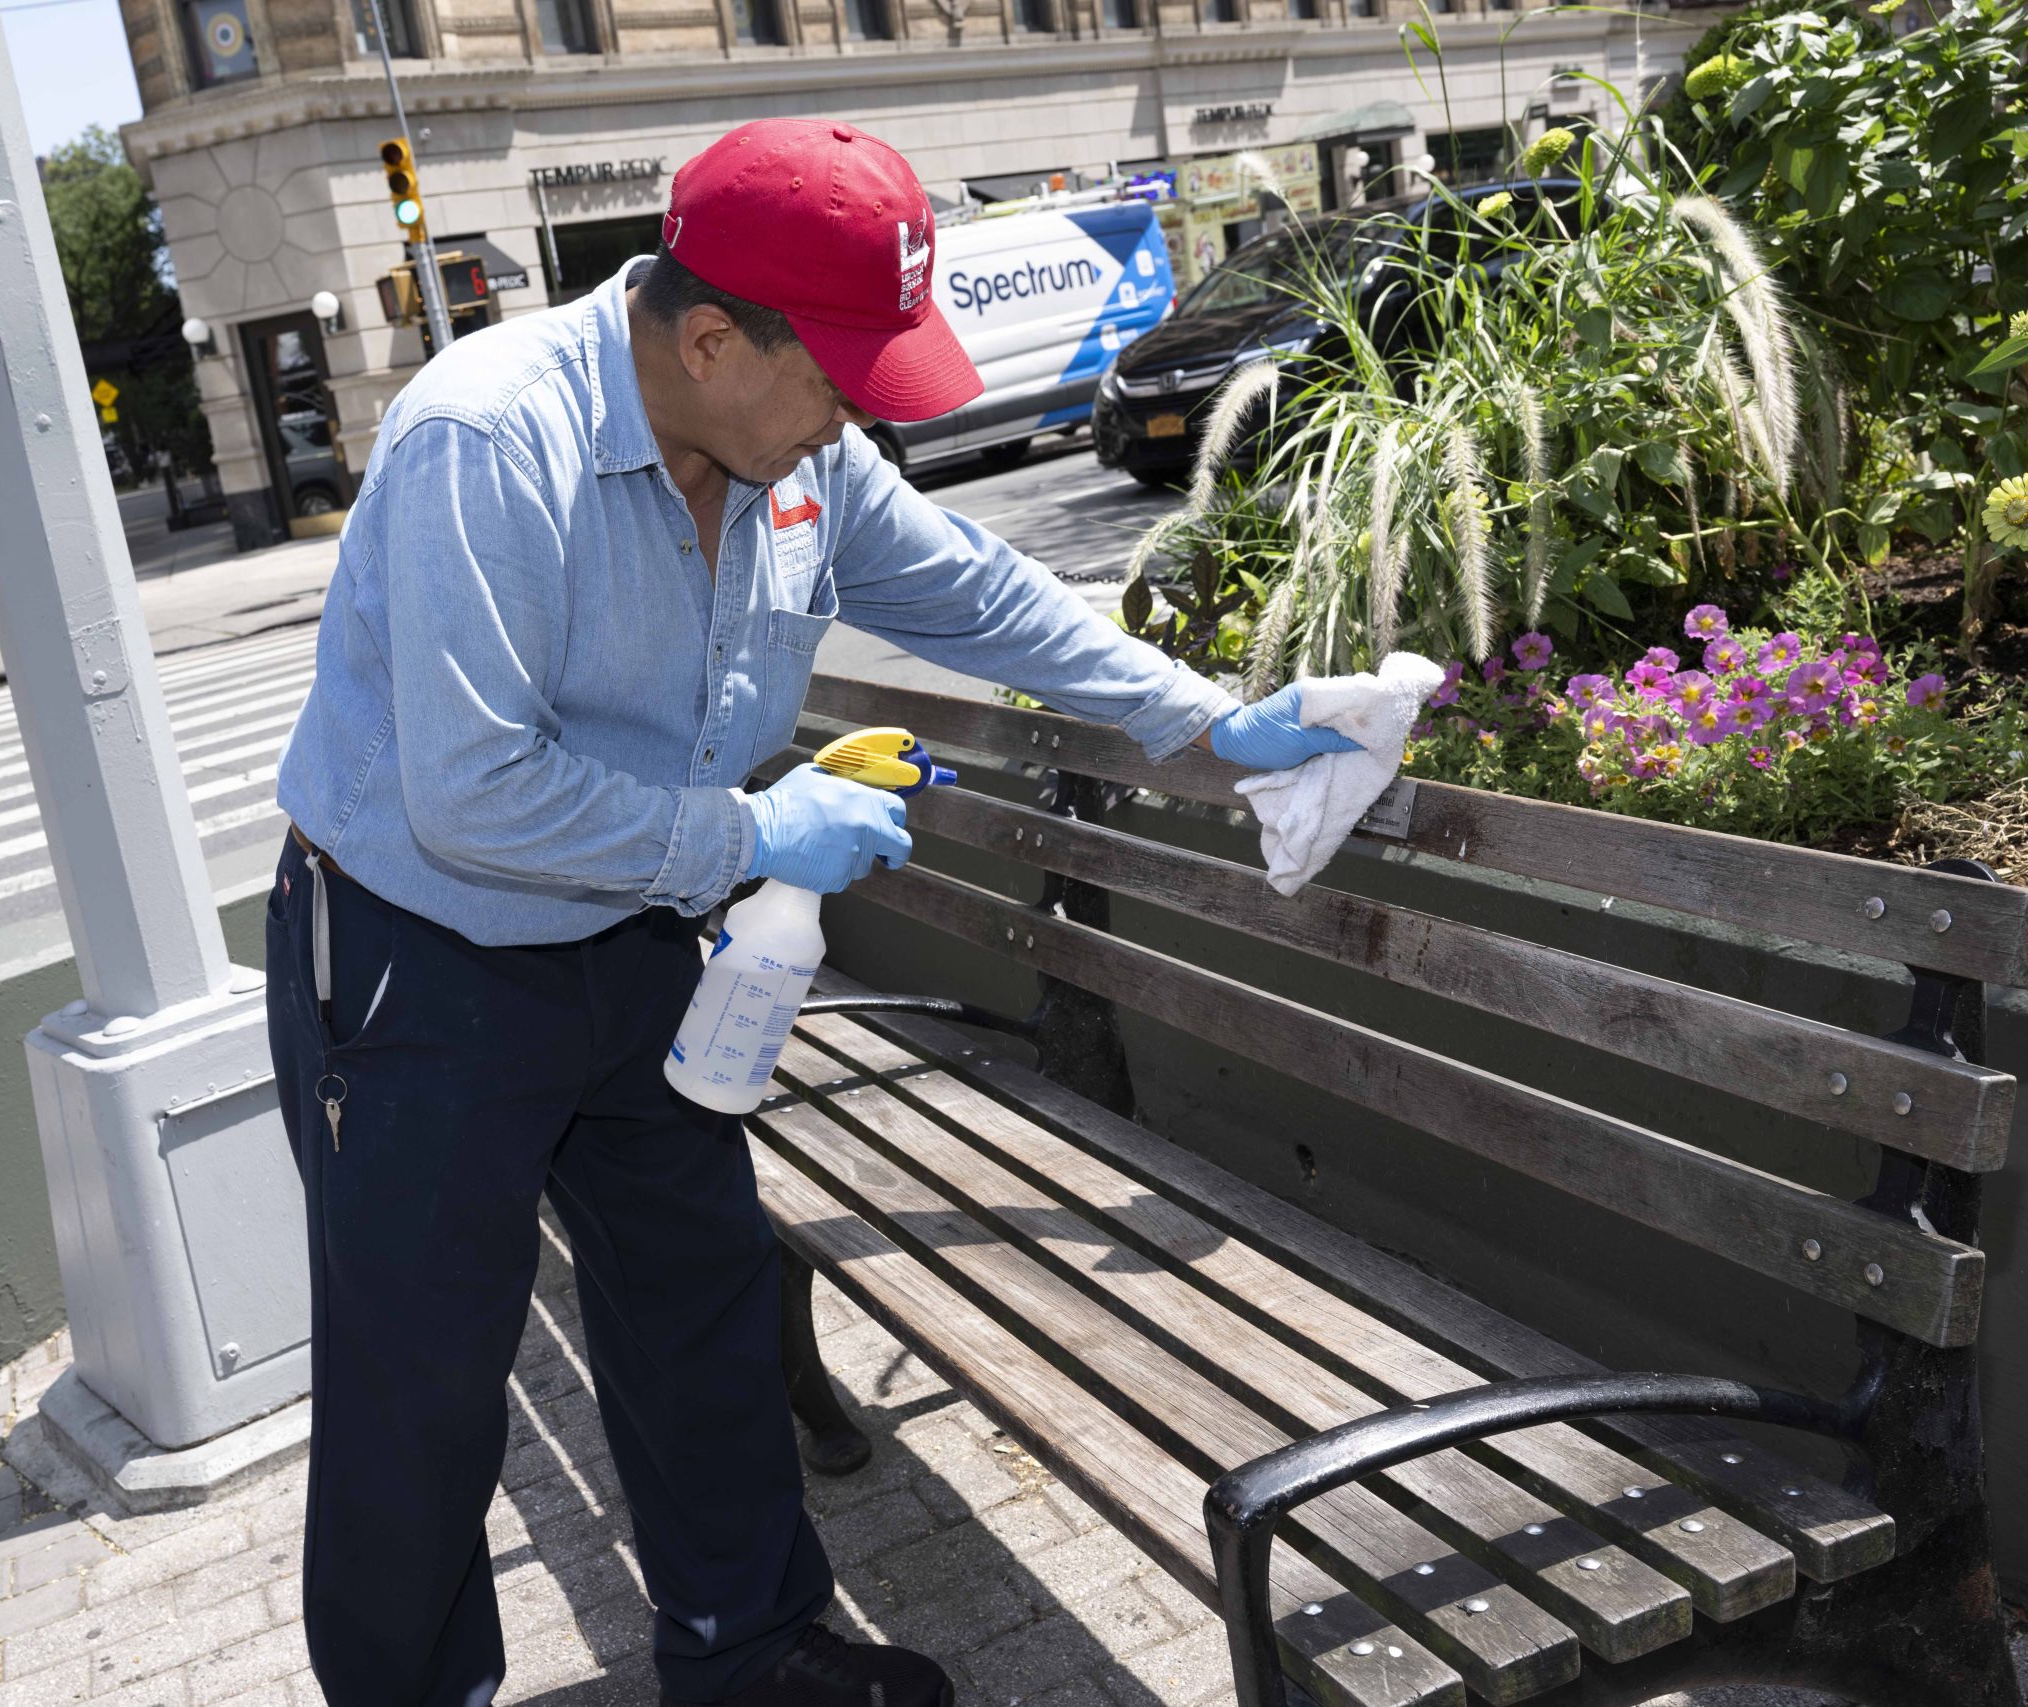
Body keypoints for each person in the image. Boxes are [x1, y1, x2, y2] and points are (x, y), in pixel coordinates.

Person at [266, 119, 1358, 1707]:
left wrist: (1203, 718)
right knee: (421, 1390)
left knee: (697, 1303)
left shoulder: (799, 458)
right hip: (419, 967)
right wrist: (760, 824)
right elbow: (473, 792)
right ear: (709, 338)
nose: (857, 419)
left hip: (637, 942)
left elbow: (979, 590)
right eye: (839, 378)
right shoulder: (486, 443)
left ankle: (750, 1652)